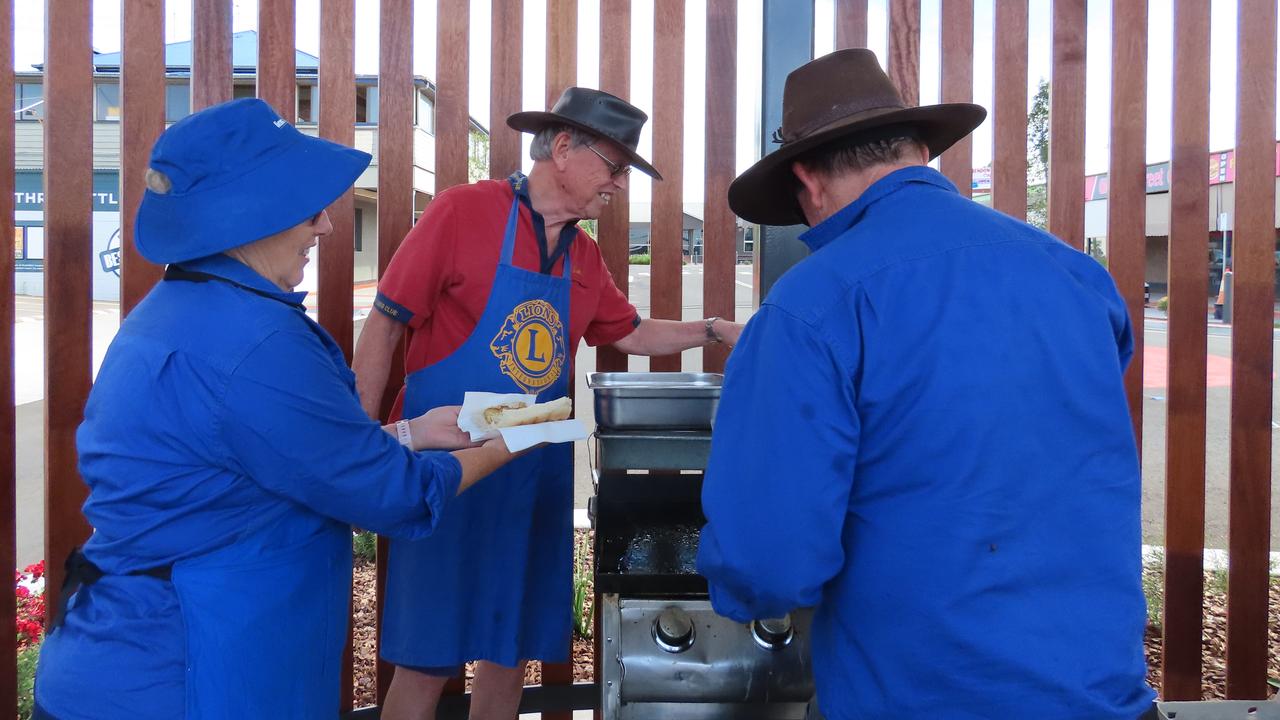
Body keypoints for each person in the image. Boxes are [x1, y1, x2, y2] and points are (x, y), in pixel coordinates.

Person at [697, 49, 1155, 720]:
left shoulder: (813, 304)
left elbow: (769, 563)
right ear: (916, 150)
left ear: (808, 181)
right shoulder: (1074, 275)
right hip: (1103, 694)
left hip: (922, 694)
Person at [33, 98, 518, 719]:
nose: (325, 225)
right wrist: (513, 442)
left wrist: (408, 431)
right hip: (186, 675)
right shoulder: (258, 344)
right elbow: (394, 495)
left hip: (126, 656)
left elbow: (258, 457)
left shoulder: (180, 309)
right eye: (307, 206)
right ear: (247, 214)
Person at [351, 86, 743, 719]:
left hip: (532, 466)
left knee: (511, 653)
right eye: (614, 167)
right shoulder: (460, 212)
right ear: (563, 147)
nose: (618, 184)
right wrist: (359, 444)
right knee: (425, 656)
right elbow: (387, 321)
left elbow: (629, 332)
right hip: (448, 467)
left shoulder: (584, 255)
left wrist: (715, 330)